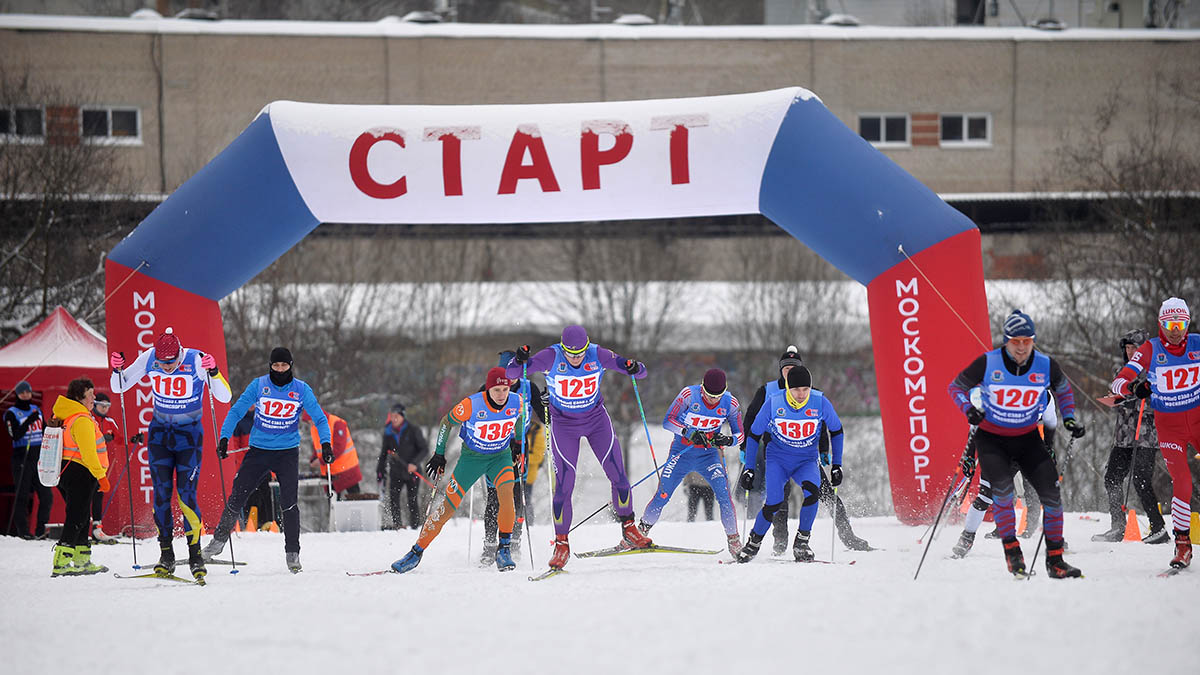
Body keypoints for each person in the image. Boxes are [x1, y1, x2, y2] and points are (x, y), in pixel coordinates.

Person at [946, 309, 1085, 578]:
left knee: (1051, 495)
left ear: (1033, 341)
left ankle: (1055, 558)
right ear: (1006, 341)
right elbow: (962, 398)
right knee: (993, 494)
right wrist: (968, 453)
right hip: (994, 440)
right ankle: (974, 539)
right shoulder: (988, 364)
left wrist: (1064, 429)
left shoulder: (1045, 378)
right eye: (1015, 341)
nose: (1021, 348)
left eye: (1027, 341)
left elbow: (1054, 418)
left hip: (1026, 440)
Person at [505, 325, 653, 569]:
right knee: (565, 484)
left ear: (587, 346)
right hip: (564, 425)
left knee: (618, 475)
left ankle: (629, 528)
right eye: (570, 354)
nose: (575, 358)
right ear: (563, 348)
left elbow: (641, 372)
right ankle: (561, 544)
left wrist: (633, 367)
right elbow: (512, 372)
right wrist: (519, 360)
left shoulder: (599, 354)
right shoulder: (551, 356)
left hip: (596, 421)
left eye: (580, 353)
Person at [110, 328, 231, 580]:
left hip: (189, 438)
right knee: (162, 495)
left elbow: (224, 396)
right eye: (162, 364)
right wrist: (116, 370)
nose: (166, 368)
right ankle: (166, 554)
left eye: (171, 363)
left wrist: (214, 371)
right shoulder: (149, 357)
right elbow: (119, 387)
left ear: (180, 353)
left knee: (187, 496)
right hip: (160, 437)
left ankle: (195, 555)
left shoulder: (196, 360)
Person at [204, 347, 331, 573]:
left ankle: (293, 553)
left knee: (289, 503)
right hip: (259, 451)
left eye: (284, 365)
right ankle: (218, 542)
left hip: (287, 453)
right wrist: (224, 438)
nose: (279, 369)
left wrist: (326, 444)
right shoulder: (259, 385)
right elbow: (236, 411)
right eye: (275, 365)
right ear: (270, 365)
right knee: (237, 495)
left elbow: (320, 419)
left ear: (290, 365)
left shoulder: (301, 390)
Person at [391, 367, 525, 573]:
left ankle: (504, 549)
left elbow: (518, 419)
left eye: (505, 390)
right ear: (488, 389)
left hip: (500, 457)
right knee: (448, 506)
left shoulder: (517, 401)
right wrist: (439, 454)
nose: (501, 395)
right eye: (496, 390)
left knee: (506, 495)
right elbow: (446, 423)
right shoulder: (471, 405)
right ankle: (416, 552)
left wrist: (516, 442)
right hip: (472, 459)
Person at [740, 346, 871, 553]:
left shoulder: (811, 393)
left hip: (806, 455)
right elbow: (750, 419)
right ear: (781, 370)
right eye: (786, 368)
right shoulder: (768, 391)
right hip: (776, 453)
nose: (789, 371)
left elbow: (824, 425)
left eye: (794, 367)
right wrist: (745, 448)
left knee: (823, 493)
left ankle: (846, 536)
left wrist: (826, 451)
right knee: (777, 500)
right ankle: (780, 540)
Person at [1110, 298, 1199, 569]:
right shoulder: (1151, 349)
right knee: (1182, 482)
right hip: (1169, 428)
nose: (1175, 330)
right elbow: (1118, 383)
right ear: (1161, 324)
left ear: (1187, 323)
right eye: (1169, 324)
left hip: (1197, 421)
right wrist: (1135, 389)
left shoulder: (1196, 344)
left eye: (1181, 324)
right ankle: (1182, 544)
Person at [737, 366, 845, 563]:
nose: (802, 394)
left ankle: (802, 542)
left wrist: (837, 464)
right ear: (788, 388)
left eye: (806, 389)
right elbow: (754, 434)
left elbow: (836, 430)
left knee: (813, 493)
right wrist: (749, 468)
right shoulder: (774, 403)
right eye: (796, 390)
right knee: (774, 502)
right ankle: (754, 542)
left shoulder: (820, 402)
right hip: (779, 459)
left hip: (806, 460)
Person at [637, 368, 744, 558]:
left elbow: (740, 435)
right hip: (682, 453)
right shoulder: (688, 395)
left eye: (717, 396)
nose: (713, 400)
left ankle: (734, 541)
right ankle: (638, 534)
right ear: (702, 387)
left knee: (724, 497)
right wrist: (689, 433)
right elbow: (668, 421)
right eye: (709, 395)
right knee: (663, 494)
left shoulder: (730, 403)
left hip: (709, 456)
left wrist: (727, 440)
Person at [951, 388, 1058, 558]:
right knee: (986, 496)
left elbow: (1051, 422)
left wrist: (1049, 448)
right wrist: (970, 456)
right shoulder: (1006, 390)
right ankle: (967, 538)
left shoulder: (1046, 396)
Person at [1093, 329, 1167, 544]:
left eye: (1135, 348)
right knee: (1112, 478)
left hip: (1146, 434)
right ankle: (1117, 526)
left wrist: (1141, 395)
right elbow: (1116, 391)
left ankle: (1158, 527)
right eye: (1127, 348)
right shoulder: (1122, 370)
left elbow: (1161, 402)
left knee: (1141, 479)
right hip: (1124, 434)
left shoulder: (1155, 371)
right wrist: (1117, 398)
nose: (1131, 352)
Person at [482, 350, 547, 564]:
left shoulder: (529, 388)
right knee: (495, 498)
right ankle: (489, 547)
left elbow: (546, 417)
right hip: (494, 447)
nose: (509, 378)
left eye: (513, 373)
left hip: (519, 446)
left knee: (517, 497)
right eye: (505, 373)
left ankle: (513, 543)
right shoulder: (488, 389)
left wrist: (549, 404)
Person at [49, 377, 111, 576]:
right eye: (90, 395)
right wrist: (101, 476)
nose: (94, 398)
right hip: (81, 472)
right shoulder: (81, 419)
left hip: (68, 471)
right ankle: (62, 559)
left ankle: (82, 558)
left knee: (82, 515)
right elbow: (89, 452)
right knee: (77, 515)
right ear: (79, 397)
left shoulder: (68, 416)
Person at [88, 392, 143, 543]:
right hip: (85, 463)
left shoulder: (110, 422)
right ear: (95, 405)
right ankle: (80, 529)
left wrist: (133, 440)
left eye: (107, 406)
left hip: (100, 465)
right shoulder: (88, 418)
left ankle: (96, 529)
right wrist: (99, 438)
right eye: (102, 406)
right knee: (85, 495)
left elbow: (119, 440)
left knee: (98, 494)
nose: (104, 409)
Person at [4, 380, 52, 539]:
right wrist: (28, 422)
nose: (25, 394)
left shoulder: (36, 409)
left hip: (38, 456)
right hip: (21, 456)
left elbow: (44, 430)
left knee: (46, 495)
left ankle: (40, 530)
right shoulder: (11, 412)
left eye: (28, 392)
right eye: (22, 392)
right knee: (22, 495)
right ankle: (23, 531)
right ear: (17, 394)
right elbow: (14, 435)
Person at [377, 403, 428, 530]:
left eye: (397, 416)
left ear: (403, 417)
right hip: (396, 471)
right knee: (394, 500)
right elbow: (383, 453)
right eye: (392, 416)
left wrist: (414, 463)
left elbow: (424, 449)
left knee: (412, 500)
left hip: (412, 472)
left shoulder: (413, 430)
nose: (394, 419)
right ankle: (397, 526)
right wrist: (380, 469)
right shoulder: (388, 432)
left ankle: (415, 527)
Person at [307, 410, 362, 497]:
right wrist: (314, 458)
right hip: (330, 473)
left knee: (355, 502)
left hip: (347, 470)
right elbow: (317, 447)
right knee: (333, 506)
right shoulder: (314, 429)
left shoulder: (336, 423)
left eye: (311, 421)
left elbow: (339, 448)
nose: (311, 424)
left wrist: (321, 461)